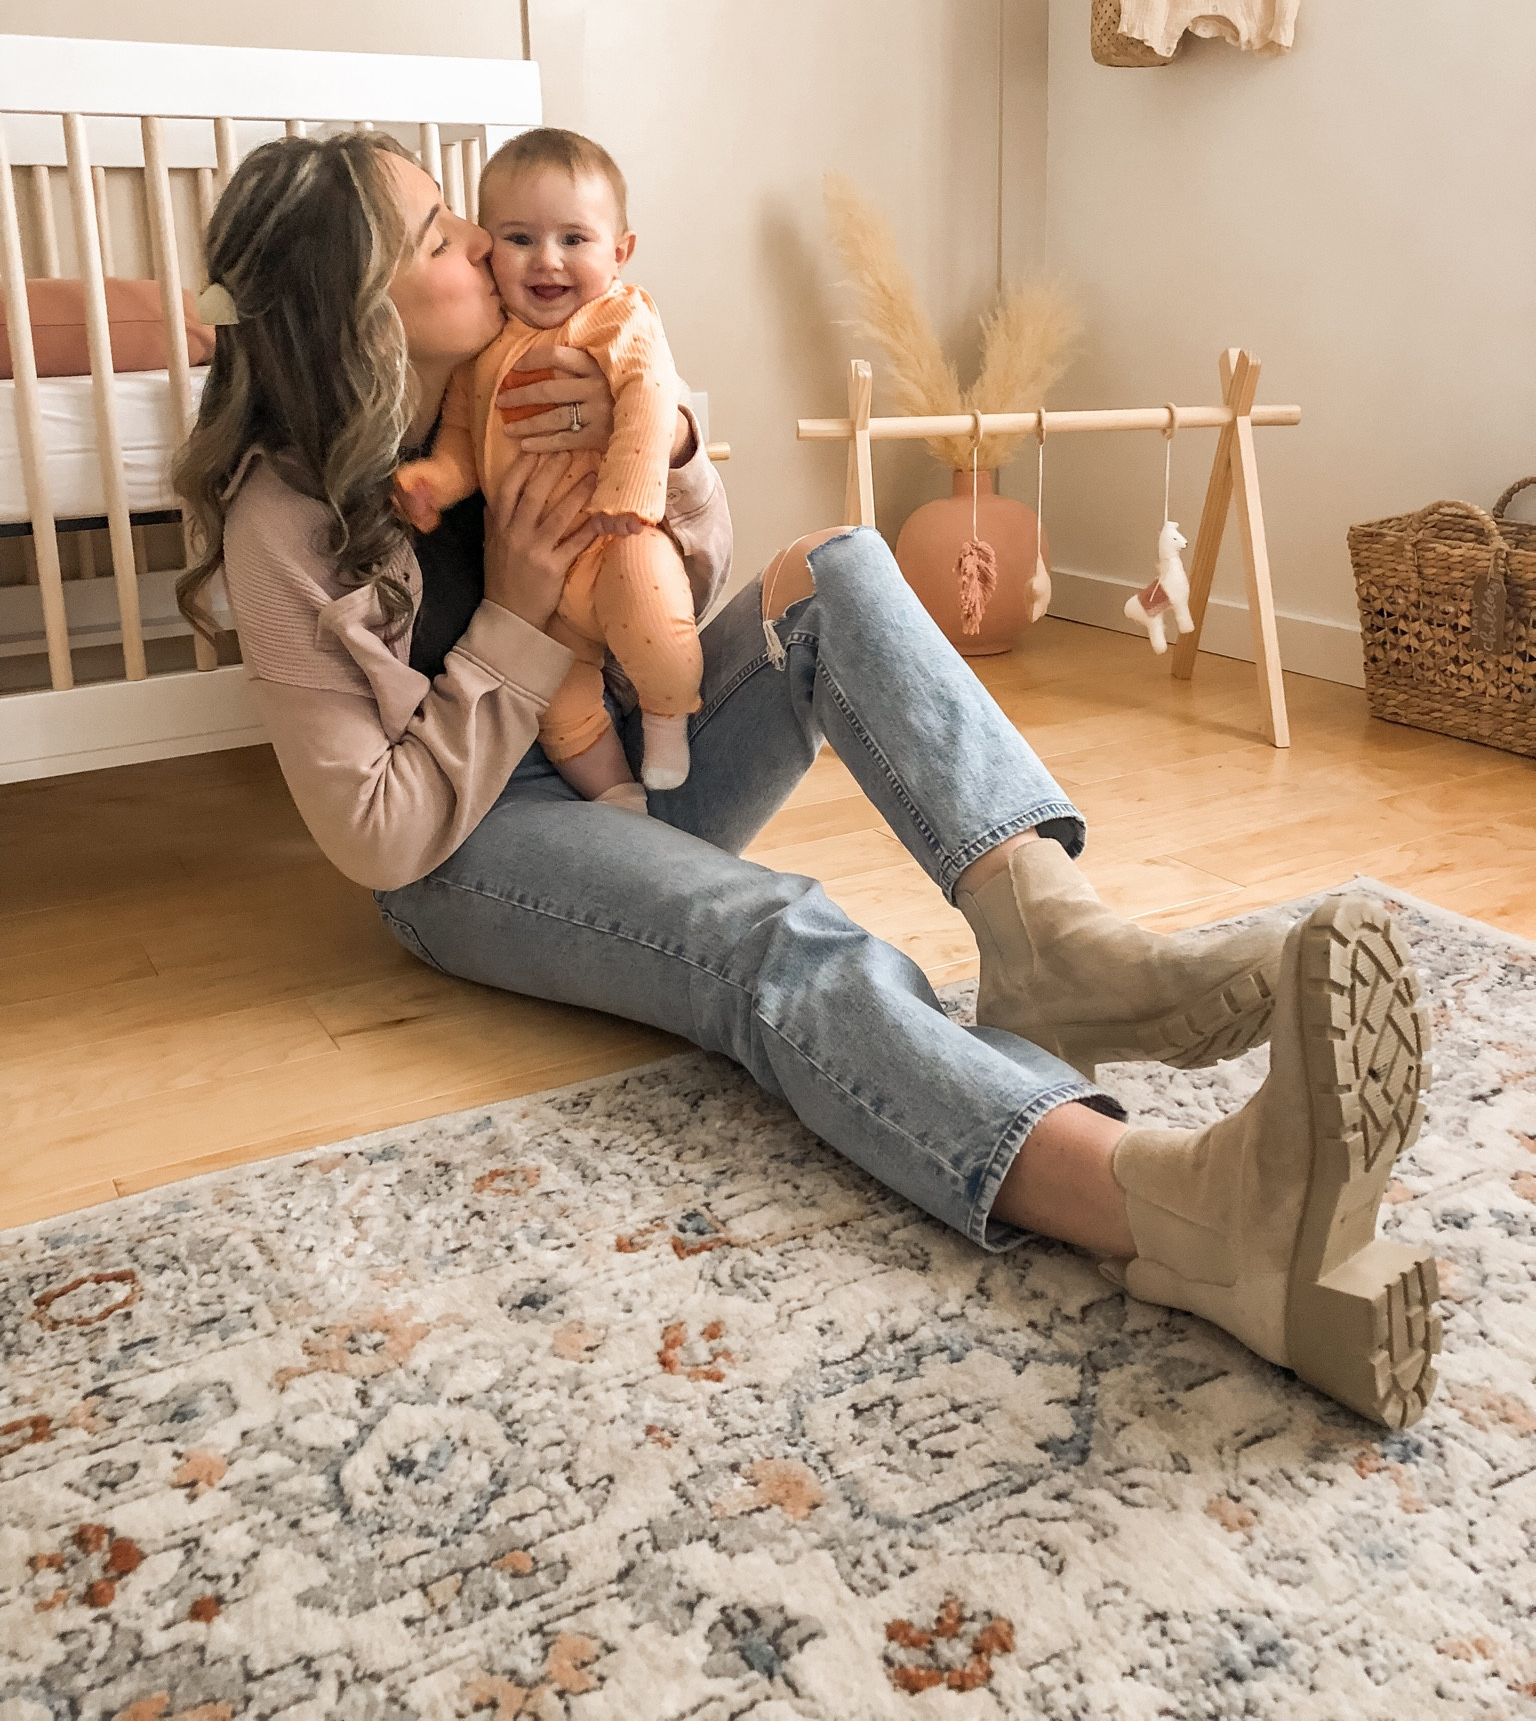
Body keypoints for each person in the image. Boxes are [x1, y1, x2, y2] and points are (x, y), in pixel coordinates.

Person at [175, 131, 1440, 1431]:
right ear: (359, 313)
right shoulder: (282, 519)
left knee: (839, 566)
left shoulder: (539, 375)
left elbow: (689, 585)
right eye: (442, 238)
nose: (489, 248)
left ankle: (1055, 939)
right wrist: (513, 614)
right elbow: (375, 834)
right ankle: (1174, 1212)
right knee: (770, 929)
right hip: (471, 848)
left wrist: (662, 445)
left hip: (637, 754)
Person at [394, 128, 700, 809]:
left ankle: (666, 721)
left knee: (657, 624)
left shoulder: (617, 317)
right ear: (489, 247)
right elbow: (466, 434)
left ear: (619, 253)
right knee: (557, 703)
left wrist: (632, 492)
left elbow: (651, 395)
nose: (547, 260)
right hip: (537, 585)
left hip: (616, 536)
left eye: (573, 238)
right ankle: (616, 795)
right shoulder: (484, 345)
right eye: (520, 238)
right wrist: (437, 480)